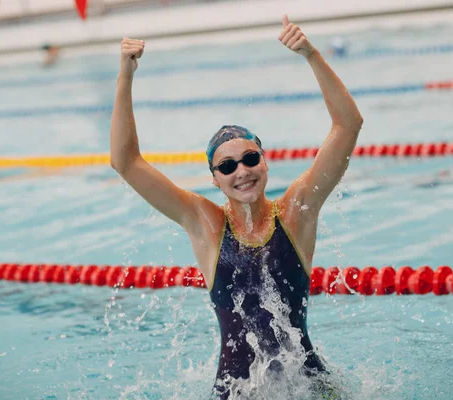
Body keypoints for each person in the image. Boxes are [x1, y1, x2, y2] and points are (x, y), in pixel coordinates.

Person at [110, 14, 363, 400]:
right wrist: (125, 76)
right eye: (227, 166)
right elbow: (126, 162)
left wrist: (310, 54)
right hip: (236, 392)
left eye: (249, 159)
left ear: (264, 160)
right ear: (215, 179)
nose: (241, 172)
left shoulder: (296, 212)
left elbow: (348, 126)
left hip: (310, 385)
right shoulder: (205, 224)